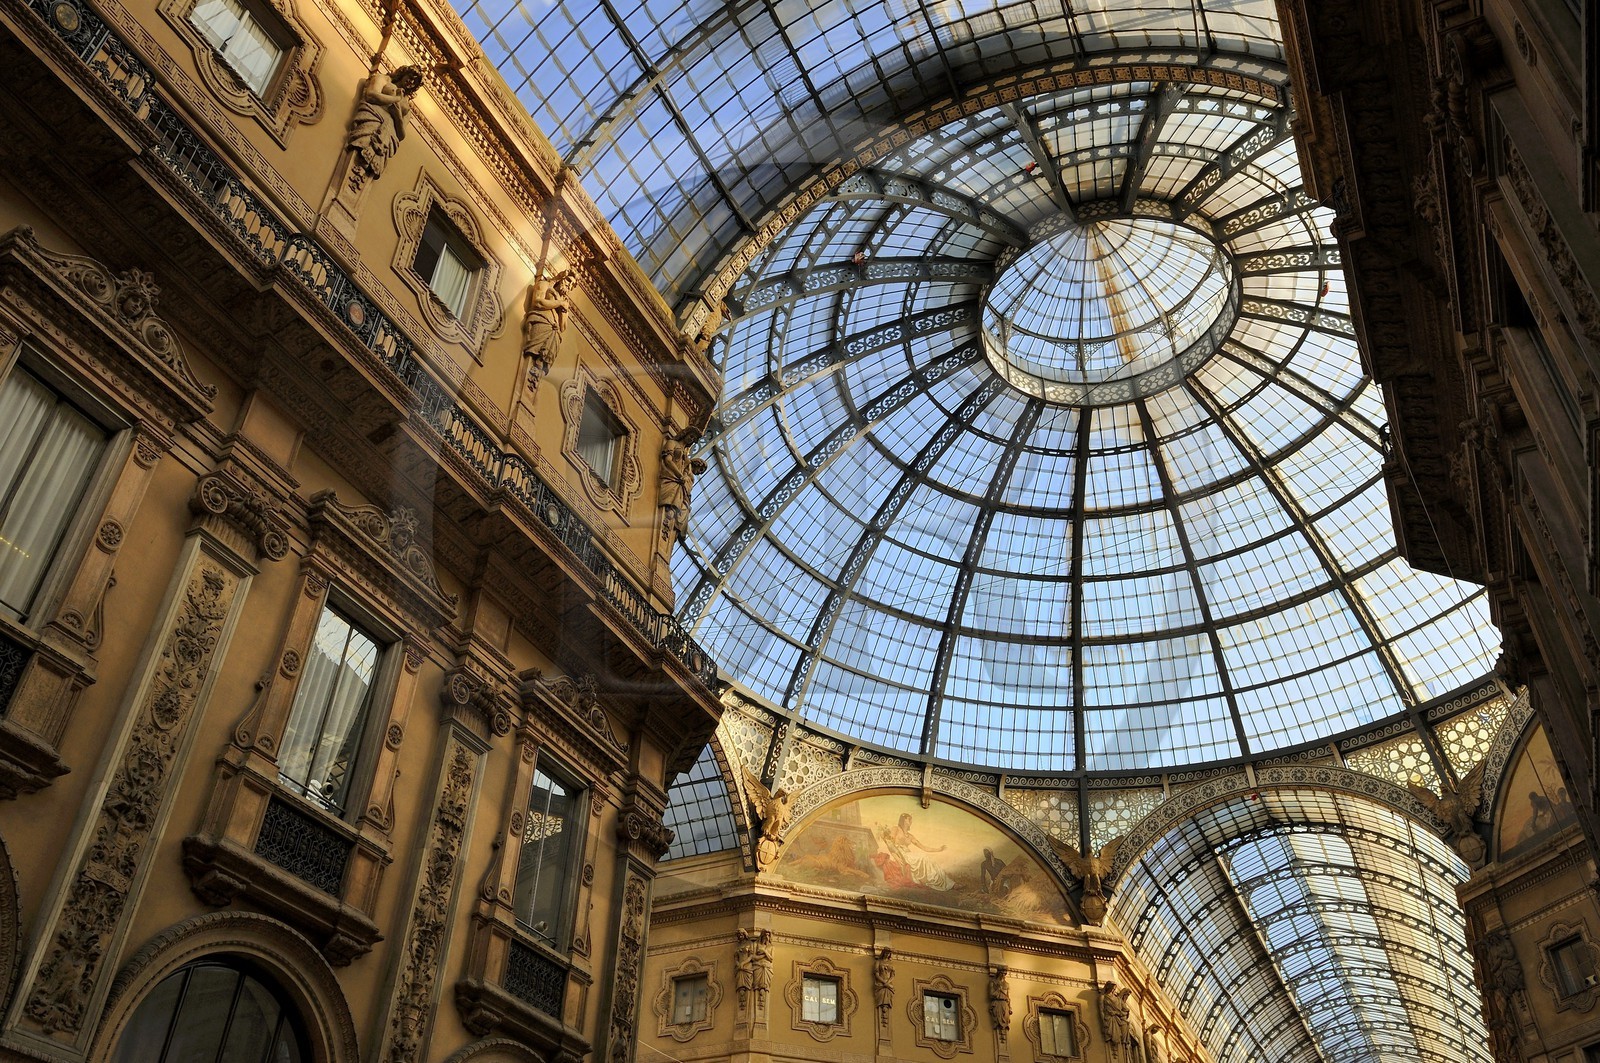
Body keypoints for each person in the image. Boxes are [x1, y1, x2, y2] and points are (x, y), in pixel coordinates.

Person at [346, 66, 425, 187]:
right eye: (411, 77)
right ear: (403, 73)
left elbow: (401, 134)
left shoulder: (407, 105)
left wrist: (398, 115)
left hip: (388, 135)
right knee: (360, 150)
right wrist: (395, 98)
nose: (411, 82)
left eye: (415, 82)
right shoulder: (384, 79)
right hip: (372, 118)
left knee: (373, 164)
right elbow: (371, 94)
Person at [873, 813, 953, 890]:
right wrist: (896, 857)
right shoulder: (896, 829)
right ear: (903, 820)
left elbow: (924, 847)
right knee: (924, 857)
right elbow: (890, 844)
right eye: (909, 819)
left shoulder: (910, 836)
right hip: (901, 854)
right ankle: (941, 882)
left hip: (909, 855)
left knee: (928, 859)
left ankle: (945, 882)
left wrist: (939, 849)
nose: (911, 822)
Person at [522, 269, 576, 380]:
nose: (569, 285)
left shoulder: (564, 303)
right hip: (542, 323)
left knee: (544, 359)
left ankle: (537, 372)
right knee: (533, 353)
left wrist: (563, 310)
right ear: (562, 278)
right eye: (568, 280)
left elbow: (563, 327)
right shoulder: (545, 285)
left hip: (554, 333)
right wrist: (559, 303)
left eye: (572, 285)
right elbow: (538, 302)